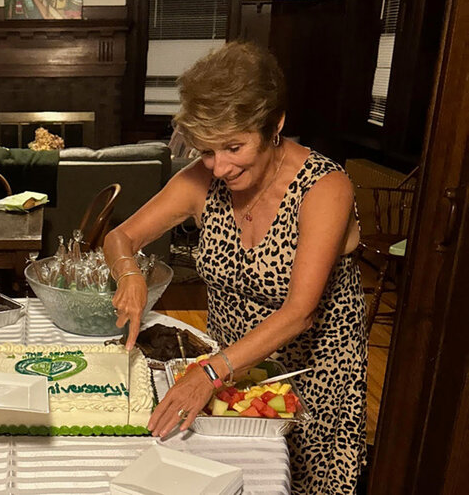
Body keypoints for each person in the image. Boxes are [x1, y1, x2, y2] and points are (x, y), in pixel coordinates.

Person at [104, 42, 366, 493]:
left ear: (275, 125)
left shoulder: (325, 187)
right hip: (232, 368)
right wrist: (129, 273)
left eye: (233, 146)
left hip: (311, 377)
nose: (219, 166)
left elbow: (300, 311)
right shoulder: (201, 181)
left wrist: (208, 372)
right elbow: (119, 237)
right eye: (206, 150)